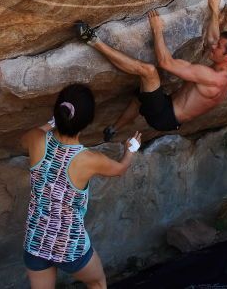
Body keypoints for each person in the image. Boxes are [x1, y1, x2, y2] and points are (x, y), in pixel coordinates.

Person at [75, 0, 227, 142]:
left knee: (148, 72)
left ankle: (93, 40)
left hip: (163, 116)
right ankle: (113, 130)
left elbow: (166, 63)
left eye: (218, 47)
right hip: (171, 115)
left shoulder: (211, 77)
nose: (213, 45)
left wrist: (157, 30)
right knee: (141, 97)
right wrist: (214, 10)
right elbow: (213, 40)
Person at [20, 84, 142, 289]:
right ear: (87, 122)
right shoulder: (88, 159)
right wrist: (130, 151)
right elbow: (120, 169)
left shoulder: (35, 139)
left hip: (36, 242)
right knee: (97, 283)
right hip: (69, 245)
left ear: (58, 112)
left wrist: (51, 124)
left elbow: (24, 141)